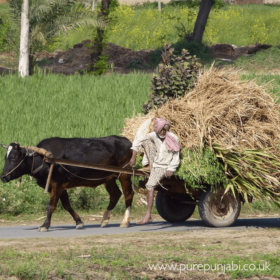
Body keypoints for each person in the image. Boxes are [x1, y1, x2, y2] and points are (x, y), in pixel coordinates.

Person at [129, 117, 180, 225]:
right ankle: (149, 216)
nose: (163, 132)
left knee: (150, 186)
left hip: (164, 166)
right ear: (157, 130)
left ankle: (148, 215)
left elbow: (176, 156)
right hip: (156, 164)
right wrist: (133, 156)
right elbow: (139, 140)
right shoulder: (154, 135)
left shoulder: (172, 138)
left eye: (165, 130)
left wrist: (171, 168)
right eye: (161, 130)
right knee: (146, 141)